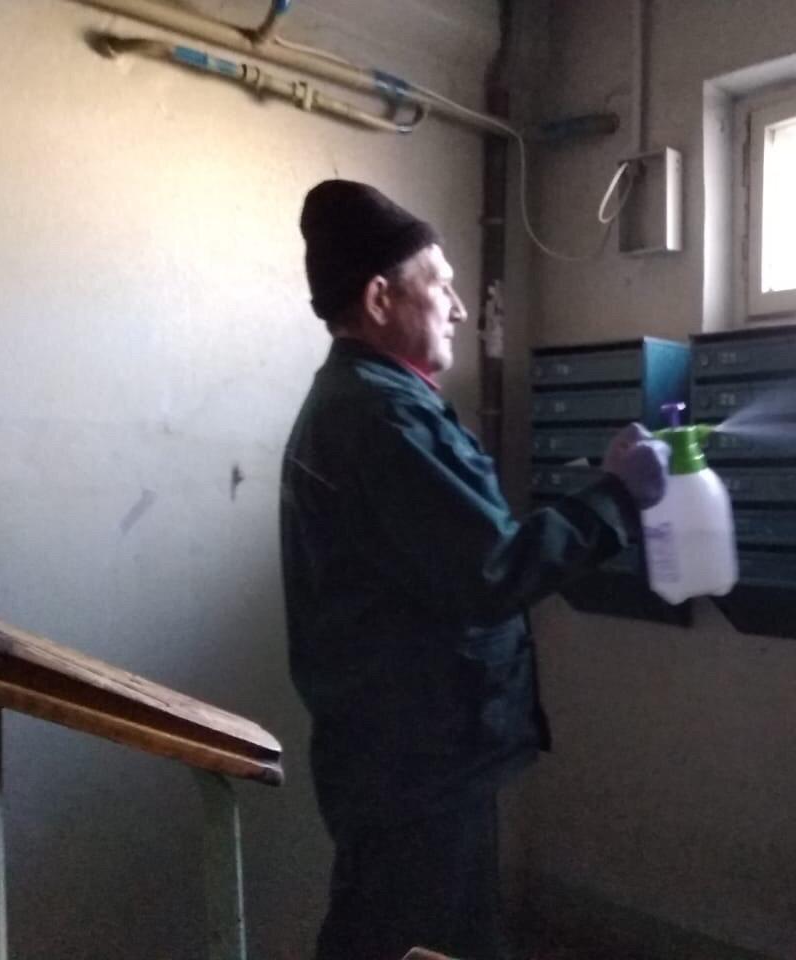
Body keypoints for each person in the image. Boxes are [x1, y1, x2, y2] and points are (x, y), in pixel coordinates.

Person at [280, 179, 667, 960]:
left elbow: (445, 550)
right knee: (421, 939)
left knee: (385, 928)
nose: (460, 308)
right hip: (419, 759)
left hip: (399, 749)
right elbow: (491, 571)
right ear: (381, 298)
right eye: (443, 286)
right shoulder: (383, 415)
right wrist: (618, 499)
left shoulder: (364, 401)